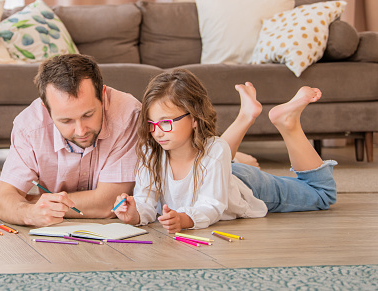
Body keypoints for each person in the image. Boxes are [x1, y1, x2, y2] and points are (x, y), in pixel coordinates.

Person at [113, 69, 337, 233]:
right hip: (219, 171)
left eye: (165, 123)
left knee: (321, 193)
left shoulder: (215, 150)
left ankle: (288, 123)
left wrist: (183, 219)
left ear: (194, 118)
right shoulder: (150, 152)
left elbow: (212, 206)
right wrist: (134, 212)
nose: (157, 133)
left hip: (245, 187)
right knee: (215, 152)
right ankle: (246, 115)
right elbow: (146, 201)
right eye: (151, 125)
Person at [0, 54, 140, 227]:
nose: (81, 130)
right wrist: (29, 213)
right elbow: (3, 200)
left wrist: (30, 200)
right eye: (66, 121)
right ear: (46, 109)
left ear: (103, 95)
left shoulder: (128, 114)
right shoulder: (29, 126)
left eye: (88, 115)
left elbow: (109, 203)